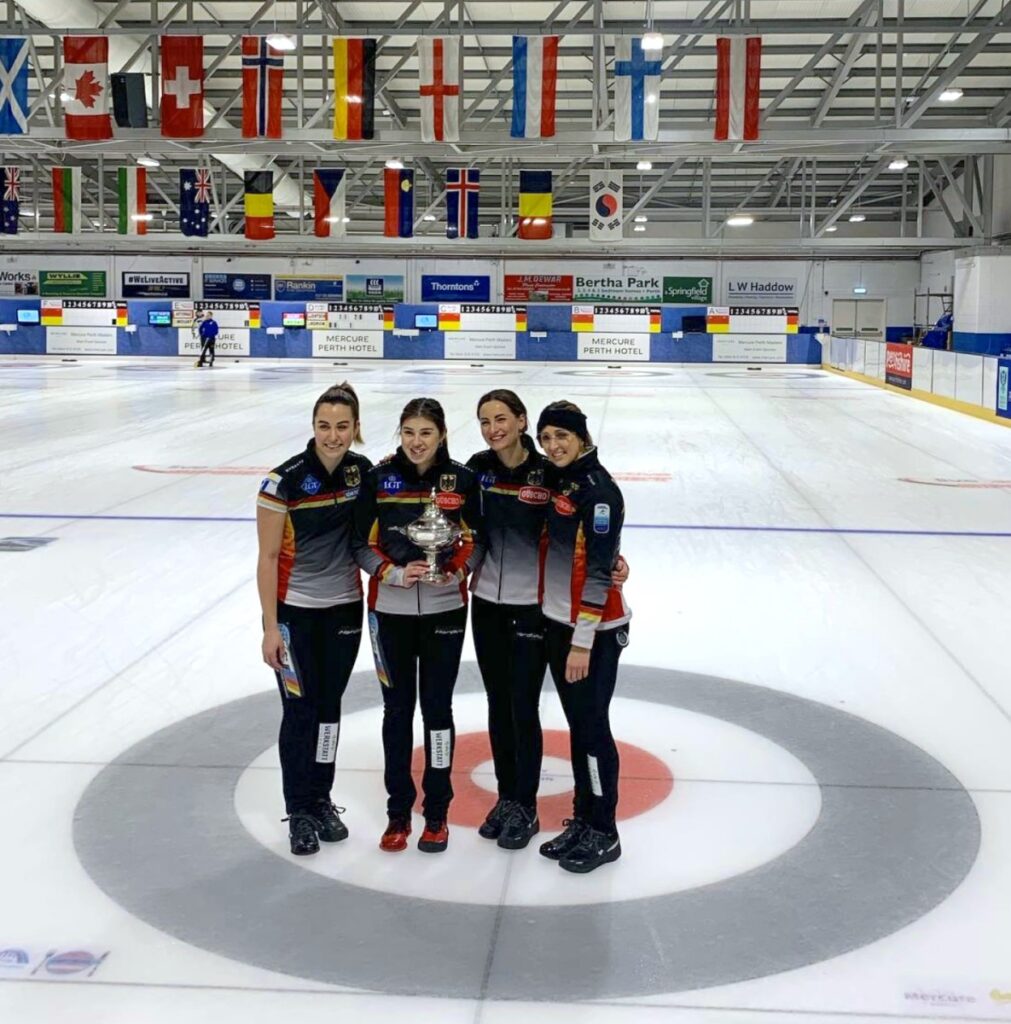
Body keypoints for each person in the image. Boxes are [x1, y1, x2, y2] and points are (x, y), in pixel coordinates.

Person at [467, 390, 628, 851]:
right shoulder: (478, 470)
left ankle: (567, 816)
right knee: (501, 705)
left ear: (520, 422)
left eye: (502, 419)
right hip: (496, 604)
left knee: (546, 713)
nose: (494, 429)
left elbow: (597, 544)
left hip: (543, 613)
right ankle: (524, 802)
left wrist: (613, 563)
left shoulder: (552, 475)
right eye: (484, 421)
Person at [352, 397, 483, 854]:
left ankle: (438, 811)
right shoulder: (379, 479)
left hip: (446, 611)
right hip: (389, 612)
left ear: (442, 434)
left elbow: (477, 540)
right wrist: (390, 573)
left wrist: (457, 571)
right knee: (396, 711)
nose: (416, 442)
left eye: (426, 432)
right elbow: (359, 543)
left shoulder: (462, 480)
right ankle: (397, 811)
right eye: (409, 432)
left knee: (438, 710)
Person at [255, 383, 372, 856]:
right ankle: (299, 809)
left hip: (344, 611)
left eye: (342, 426)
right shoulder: (282, 481)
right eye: (324, 425)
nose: (332, 435)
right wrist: (270, 627)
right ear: (313, 426)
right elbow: (267, 559)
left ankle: (321, 798)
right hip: (295, 615)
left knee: (329, 709)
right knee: (299, 711)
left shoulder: (362, 472)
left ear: (356, 428)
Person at [535, 400, 631, 874]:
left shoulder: (598, 491)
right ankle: (583, 817)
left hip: (593, 631)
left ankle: (604, 831)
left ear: (582, 437)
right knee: (579, 728)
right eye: (546, 438)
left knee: (592, 729)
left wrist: (582, 641)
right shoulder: (561, 479)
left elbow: (597, 571)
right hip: (559, 621)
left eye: (562, 436)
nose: (553, 446)